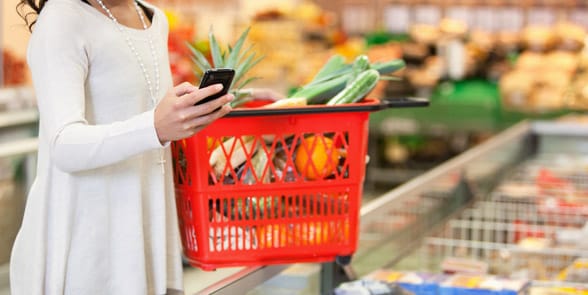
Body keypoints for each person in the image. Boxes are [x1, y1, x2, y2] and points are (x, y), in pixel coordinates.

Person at [11, 0, 244, 294]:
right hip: (87, 249)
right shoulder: (62, 18)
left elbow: (141, 124)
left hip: (146, 236)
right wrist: (155, 127)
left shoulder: (154, 19)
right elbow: (64, 144)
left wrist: (188, 116)